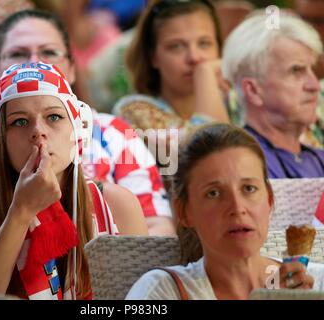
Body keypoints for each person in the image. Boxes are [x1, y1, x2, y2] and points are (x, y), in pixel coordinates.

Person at [0, 9, 175, 236]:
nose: (35, 63)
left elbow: (156, 225)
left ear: (73, 68)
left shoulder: (116, 135)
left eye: (49, 52)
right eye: (18, 53)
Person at [0, 62, 147, 300]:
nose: (38, 131)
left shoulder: (116, 203)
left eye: (54, 117)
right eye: (20, 121)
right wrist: (21, 212)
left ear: (78, 130)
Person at [126, 123, 324, 300]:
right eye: (213, 193)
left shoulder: (316, 284)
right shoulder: (162, 291)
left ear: (269, 200)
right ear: (185, 212)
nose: (237, 208)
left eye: (249, 188)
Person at [222, 13, 324, 178]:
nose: (314, 85)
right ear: (253, 90)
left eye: (311, 69)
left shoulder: (318, 157)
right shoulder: (238, 166)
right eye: (296, 71)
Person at [112, 0, 230, 136]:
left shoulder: (235, 100)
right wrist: (205, 74)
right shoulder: (133, 110)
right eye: (176, 46)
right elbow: (211, 149)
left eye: (204, 43)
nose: (194, 57)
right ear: (153, 57)